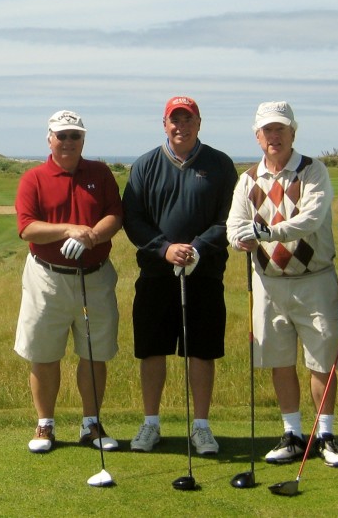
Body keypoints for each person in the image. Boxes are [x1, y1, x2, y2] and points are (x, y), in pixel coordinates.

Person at [225, 101, 338, 467]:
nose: (274, 136)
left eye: (281, 129)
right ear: (258, 136)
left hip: (315, 280)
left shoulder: (313, 171)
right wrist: (240, 240)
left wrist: (263, 231)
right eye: (268, 130)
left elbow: (310, 219)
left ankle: (325, 435)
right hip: (269, 283)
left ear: (293, 132)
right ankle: (292, 433)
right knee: (279, 360)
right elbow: (234, 225)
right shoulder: (247, 179)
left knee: (321, 362)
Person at [122, 96, 237, 454]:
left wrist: (197, 248)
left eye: (188, 120)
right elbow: (133, 219)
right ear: (165, 124)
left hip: (203, 274)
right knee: (152, 350)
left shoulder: (219, 164)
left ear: (199, 123)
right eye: (175, 120)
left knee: (201, 352)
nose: (181, 127)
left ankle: (201, 427)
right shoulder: (145, 166)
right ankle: (150, 423)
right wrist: (164, 248)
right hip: (157, 275)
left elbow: (230, 218)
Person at [14, 109, 124, 454]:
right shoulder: (33, 178)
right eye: (61, 135)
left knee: (95, 353)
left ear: (83, 140)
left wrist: (90, 236)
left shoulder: (100, 173)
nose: (67, 142)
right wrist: (68, 229)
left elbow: (115, 216)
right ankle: (45, 424)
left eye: (74, 136)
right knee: (44, 353)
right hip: (47, 278)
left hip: (95, 278)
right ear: (49, 138)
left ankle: (91, 423)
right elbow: (27, 227)